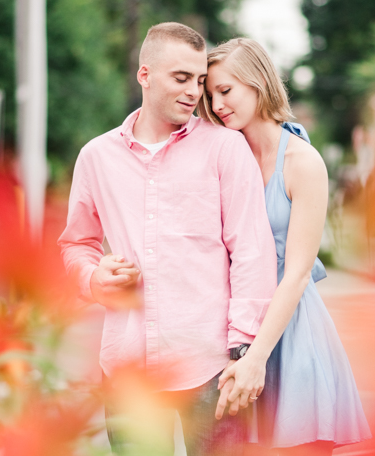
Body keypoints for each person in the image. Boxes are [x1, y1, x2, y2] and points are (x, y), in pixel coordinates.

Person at [58, 23, 277, 455]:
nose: (195, 92)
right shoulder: (96, 157)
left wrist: (243, 350)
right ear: (145, 75)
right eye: (181, 79)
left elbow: (251, 252)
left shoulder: (225, 148)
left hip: (212, 367)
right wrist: (92, 278)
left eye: (199, 80)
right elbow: (76, 243)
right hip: (127, 371)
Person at [199, 38, 372, 455]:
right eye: (210, 95)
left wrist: (256, 357)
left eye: (226, 90)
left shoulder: (303, 163)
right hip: (234, 329)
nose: (217, 104)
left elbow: (296, 274)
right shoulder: (222, 156)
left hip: (289, 333)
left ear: (258, 84)